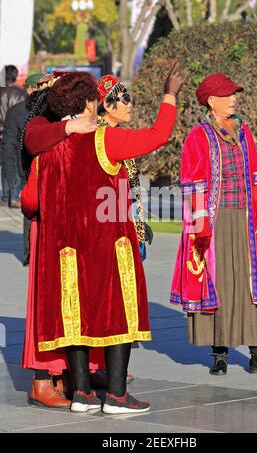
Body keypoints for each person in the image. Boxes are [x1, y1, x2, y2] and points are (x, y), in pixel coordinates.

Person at [24, 66, 183, 413]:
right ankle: (116, 395)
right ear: (92, 102)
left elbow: (30, 201)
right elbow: (158, 135)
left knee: (74, 317)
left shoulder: (48, 147)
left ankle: (81, 393)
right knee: (120, 314)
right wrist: (170, 95)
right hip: (109, 245)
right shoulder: (105, 139)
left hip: (65, 249)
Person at [171, 72, 257, 376]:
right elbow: (192, 183)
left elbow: (255, 175)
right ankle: (220, 353)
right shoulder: (198, 136)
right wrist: (201, 226)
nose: (234, 99)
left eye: (234, 94)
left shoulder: (243, 132)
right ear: (211, 101)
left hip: (242, 218)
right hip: (213, 222)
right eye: (227, 95)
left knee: (249, 285)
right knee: (219, 283)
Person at [1, 73, 44, 265]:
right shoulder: (16, 112)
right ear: (30, 89)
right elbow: (8, 145)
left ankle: (44, 252)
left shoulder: (51, 110)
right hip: (27, 170)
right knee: (30, 211)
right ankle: (30, 253)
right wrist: (10, 175)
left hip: (51, 169)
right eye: (39, 87)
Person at [0, 65, 26, 204]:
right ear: (15, 76)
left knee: (5, 163)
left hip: (1, 131)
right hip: (14, 131)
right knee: (15, 163)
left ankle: (4, 197)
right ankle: (14, 196)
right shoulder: (21, 93)